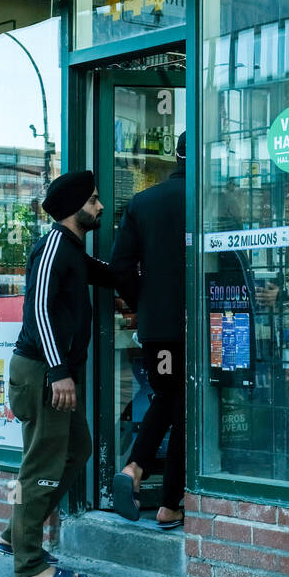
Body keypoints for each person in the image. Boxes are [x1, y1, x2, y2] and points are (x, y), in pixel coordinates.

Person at [0, 170, 116, 577]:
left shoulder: (70, 248)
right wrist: (59, 371)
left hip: (52, 373)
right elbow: (38, 313)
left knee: (77, 450)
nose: (100, 207)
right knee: (40, 464)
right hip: (43, 372)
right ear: (73, 208)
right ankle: (29, 564)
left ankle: (16, 536)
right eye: (94, 200)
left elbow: (103, 272)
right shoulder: (52, 246)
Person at [109, 130, 187, 529]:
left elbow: (119, 266)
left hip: (159, 330)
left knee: (167, 398)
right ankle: (169, 503)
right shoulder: (212, 200)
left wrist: (146, 303)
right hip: (202, 328)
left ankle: (135, 469)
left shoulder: (142, 202)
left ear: (175, 156)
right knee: (186, 410)